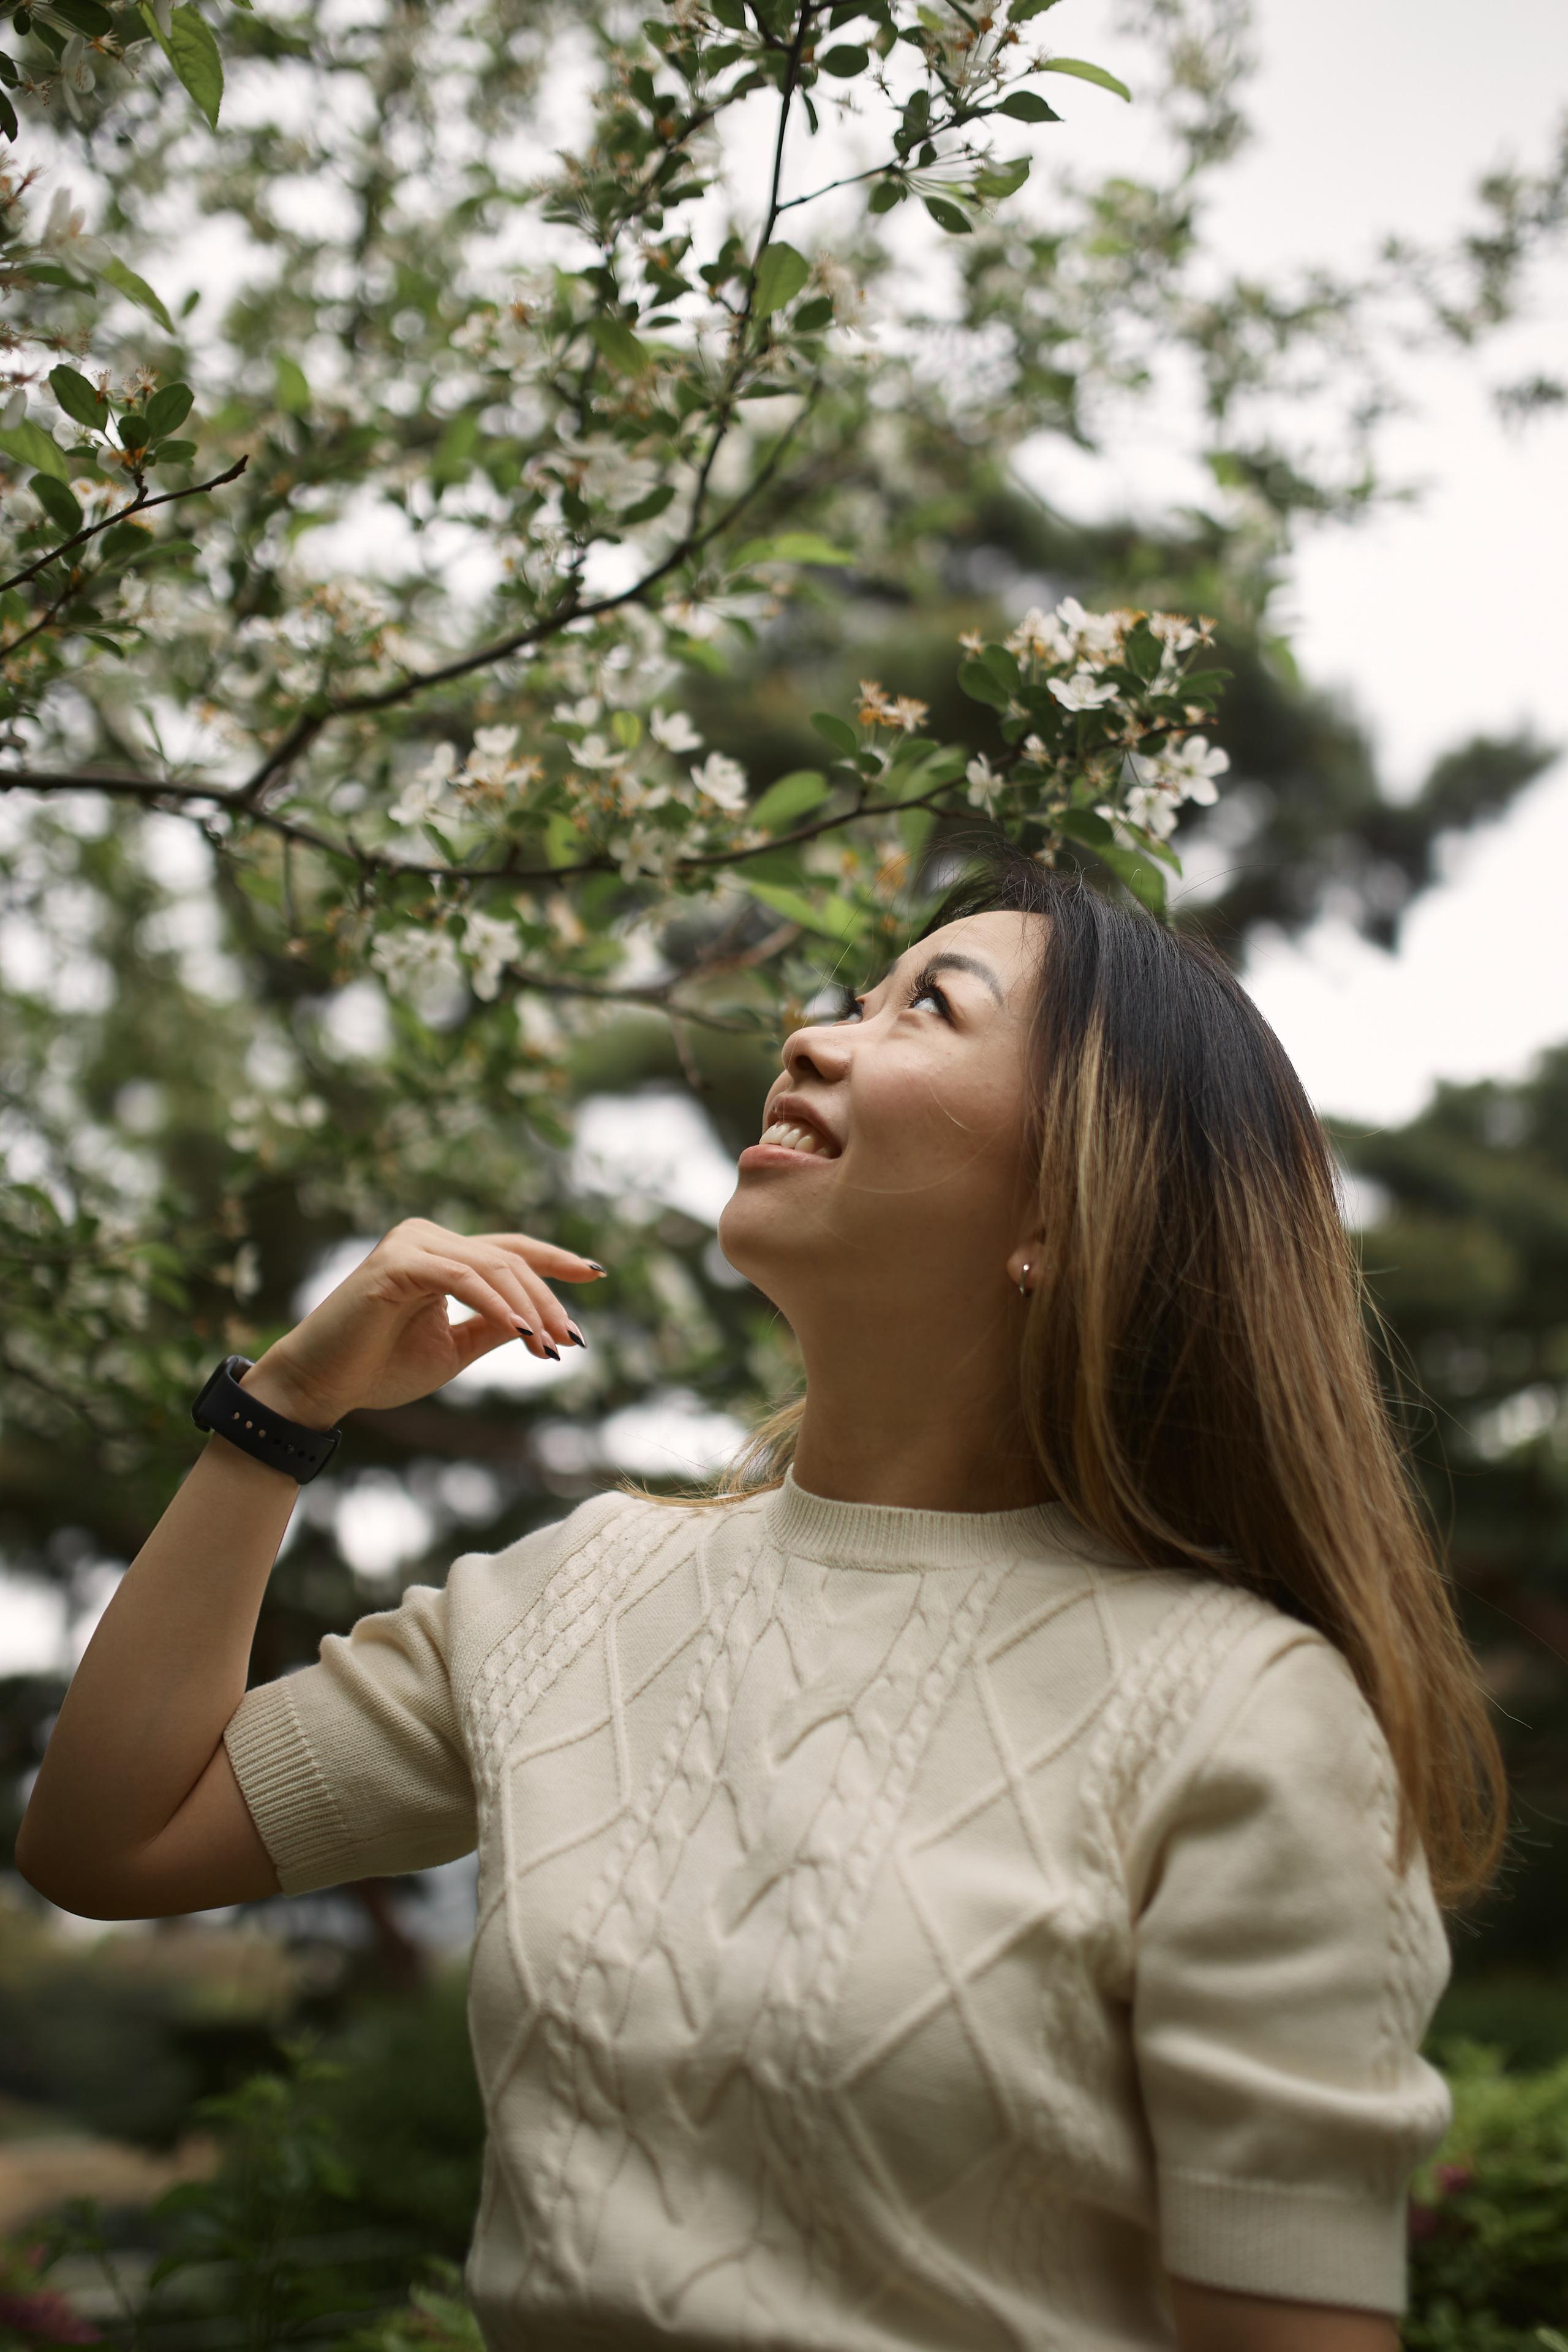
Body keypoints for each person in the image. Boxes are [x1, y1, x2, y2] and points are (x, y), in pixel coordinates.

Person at [18, 856, 1503, 2352]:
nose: (812, 1035)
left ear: (1065, 1203)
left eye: (929, 1007)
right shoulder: (575, 1596)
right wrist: (283, 1409)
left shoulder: (1242, 1718)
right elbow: (108, 1838)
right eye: (856, 995)